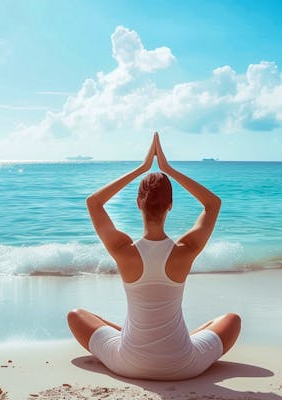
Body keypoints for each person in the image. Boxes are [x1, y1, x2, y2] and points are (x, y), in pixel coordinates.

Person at [67, 132, 241, 381]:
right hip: (183, 365)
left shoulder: (123, 249)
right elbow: (213, 204)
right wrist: (170, 169)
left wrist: (143, 168)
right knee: (231, 320)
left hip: (129, 363)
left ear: (139, 203)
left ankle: (130, 335)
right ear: (170, 205)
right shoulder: (185, 250)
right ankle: (171, 339)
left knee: (76, 315)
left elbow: (94, 202)